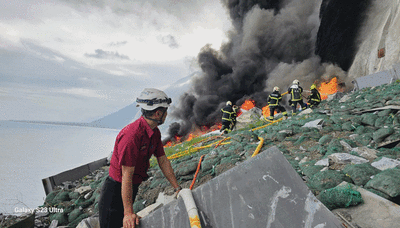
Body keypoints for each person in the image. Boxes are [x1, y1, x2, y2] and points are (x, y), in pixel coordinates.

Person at [98, 88, 181, 228]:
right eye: (165, 111)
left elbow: (163, 160)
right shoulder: (132, 136)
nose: (167, 114)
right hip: (115, 191)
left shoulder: (154, 133)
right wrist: (128, 213)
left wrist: (177, 187)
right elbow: (126, 175)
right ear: (158, 113)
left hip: (131, 186)